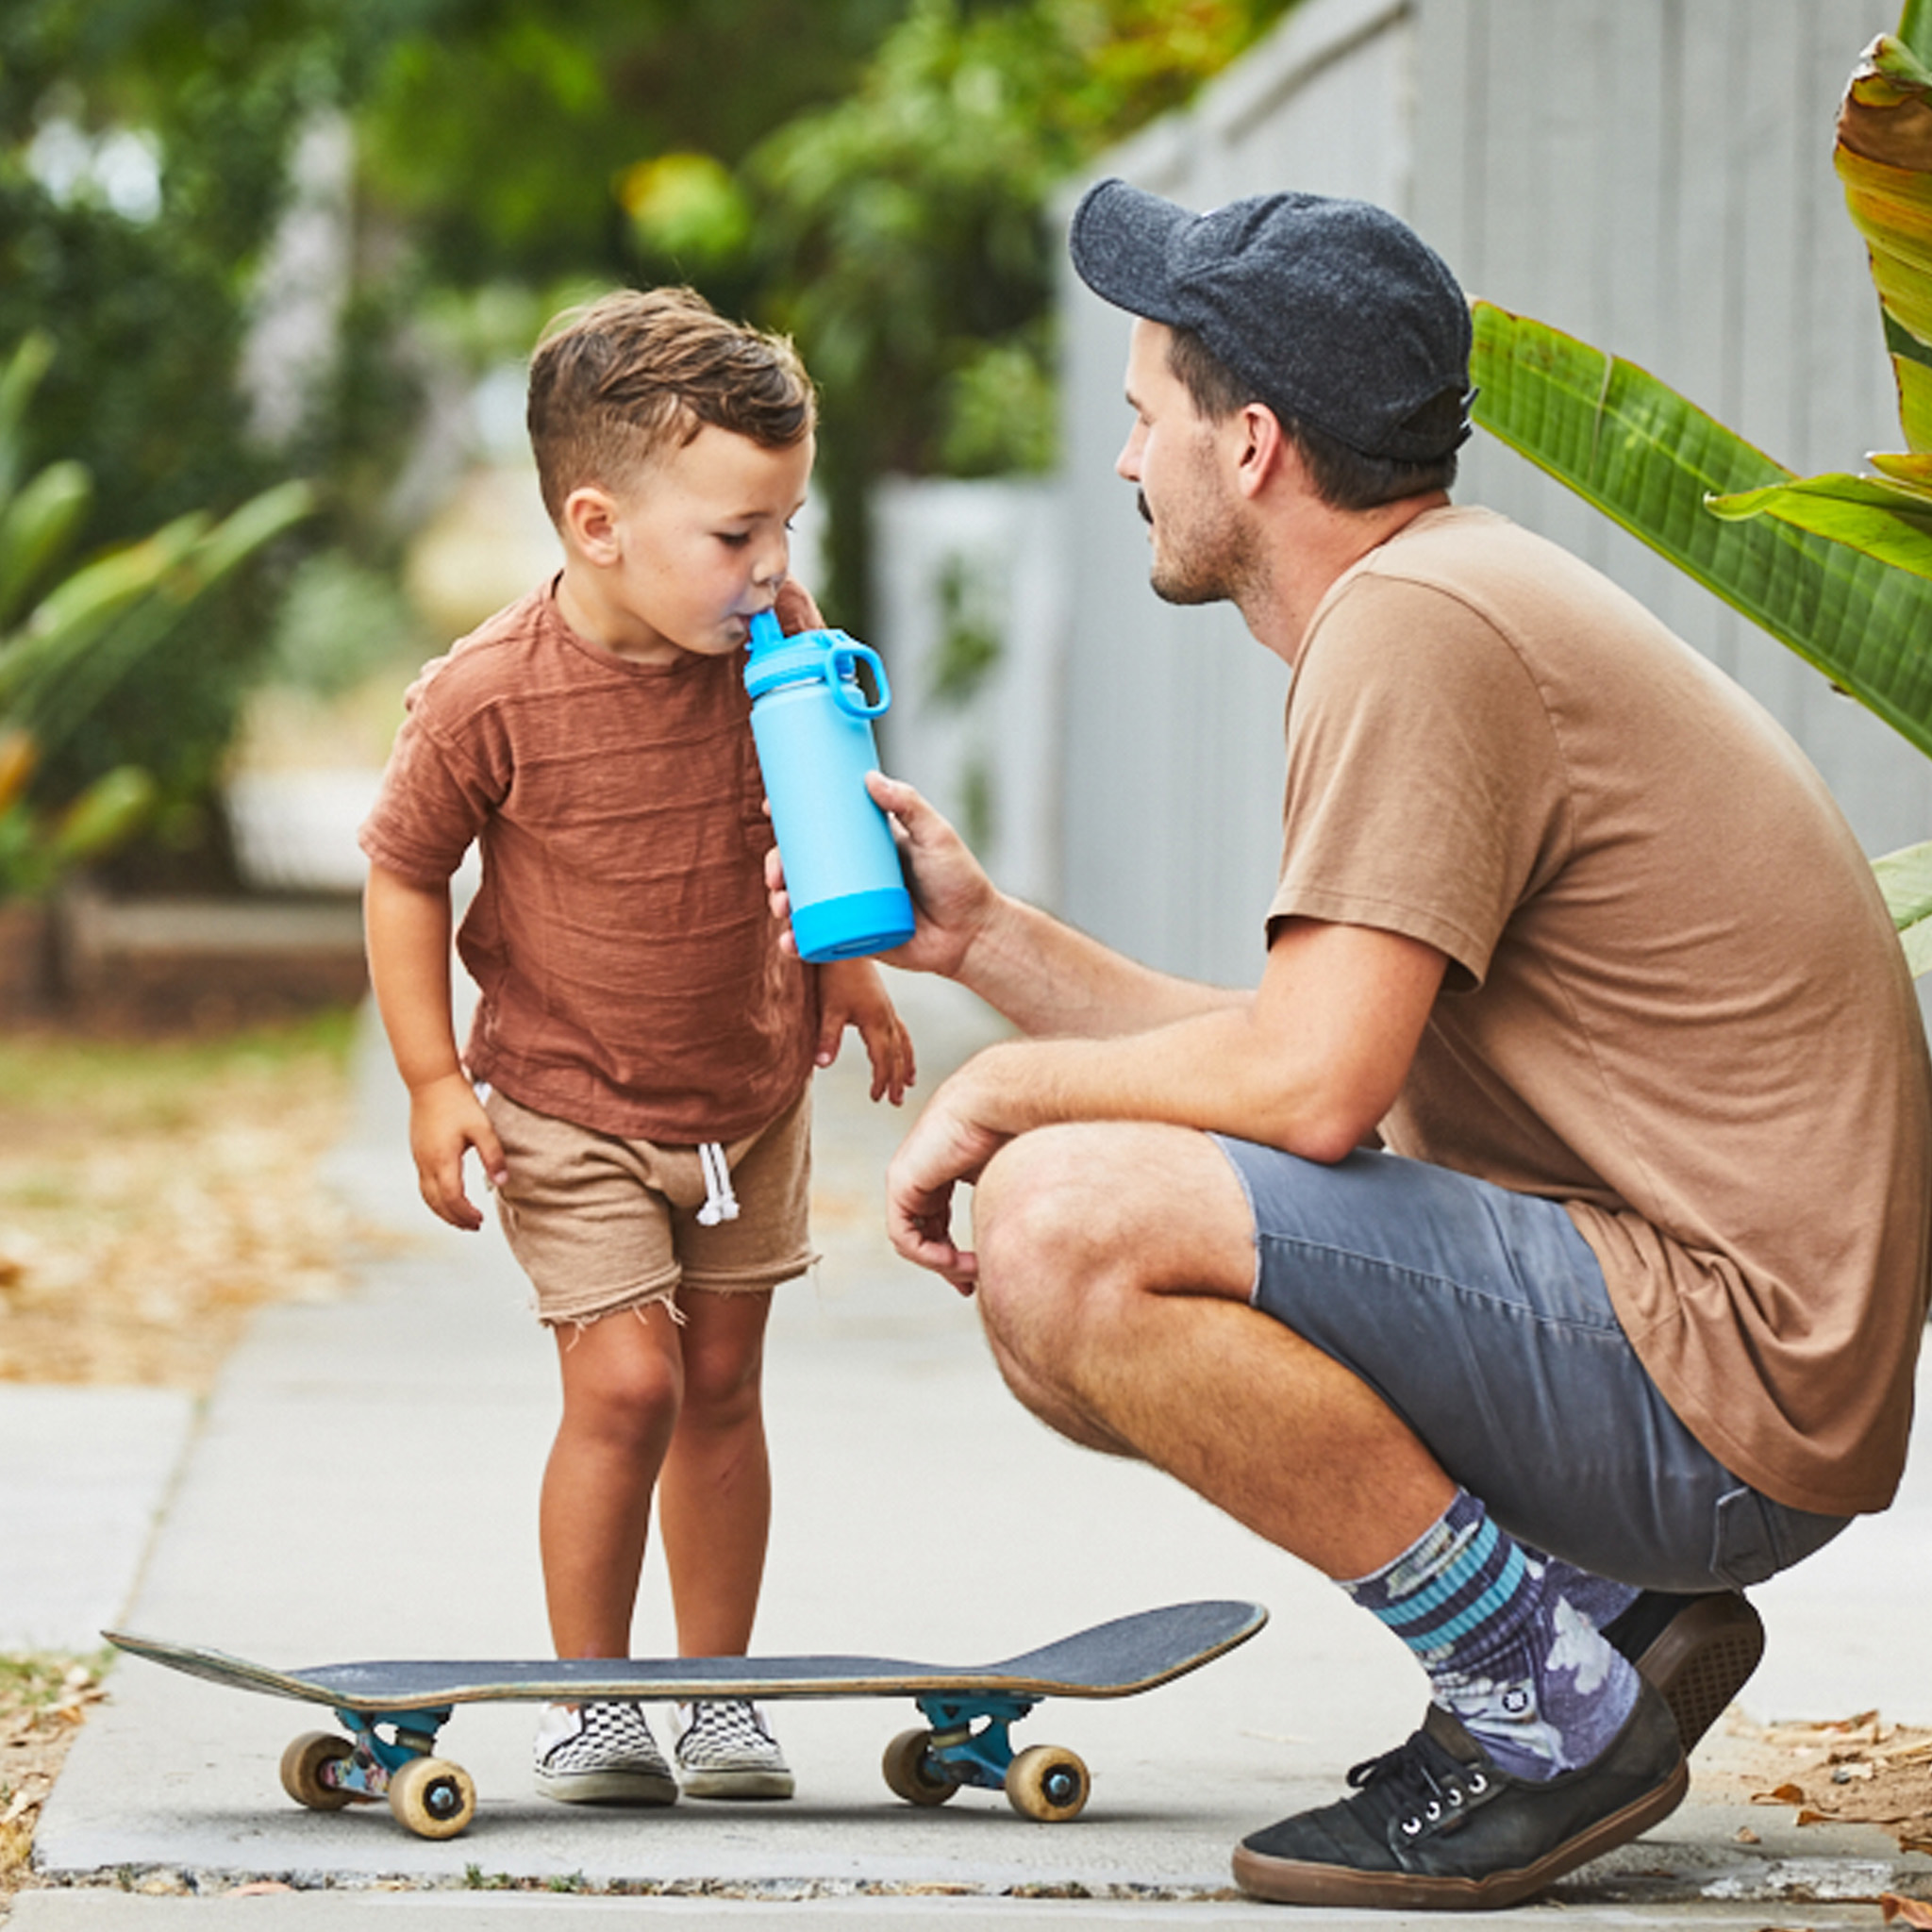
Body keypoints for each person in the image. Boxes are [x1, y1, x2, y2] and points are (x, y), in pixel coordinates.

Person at [799, 181, 1932, 1908]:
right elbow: (1318, 1054)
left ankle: (1549, 1711)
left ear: (1249, 444)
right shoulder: (1439, 602)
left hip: (1720, 1374)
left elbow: (1305, 1095)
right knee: (1063, 1292)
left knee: (1063, 1229)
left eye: (1142, 418)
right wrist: (990, 950)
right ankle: (1605, 1619)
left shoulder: (1416, 633)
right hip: (1704, 1344)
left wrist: (1003, 1090)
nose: (1126, 466)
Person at [359, 287, 914, 1809]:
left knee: (724, 1379)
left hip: (746, 1088)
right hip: (568, 1103)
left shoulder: (778, 643)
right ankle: (596, 1698)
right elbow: (406, 870)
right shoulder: (488, 694)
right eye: (737, 536)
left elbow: (819, 815)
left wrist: (853, 975)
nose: (773, 570)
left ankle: (715, 1695)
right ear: (596, 524)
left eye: (784, 529)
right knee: (624, 1387)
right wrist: (430, 1081)